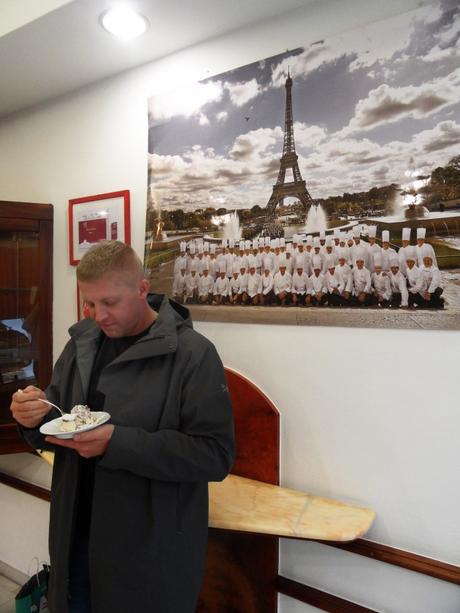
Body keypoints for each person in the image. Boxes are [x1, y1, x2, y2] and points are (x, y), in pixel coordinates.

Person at [10, 240, 235, 613]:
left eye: (110, 303)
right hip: (73, 540)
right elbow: (59, 419)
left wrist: (116, 444)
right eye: (90, 303)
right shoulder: (81, 344)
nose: (99, 316)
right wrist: (33, 418)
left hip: (147, 553)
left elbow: (215, 455)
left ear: (142, 289)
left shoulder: (193, 354)